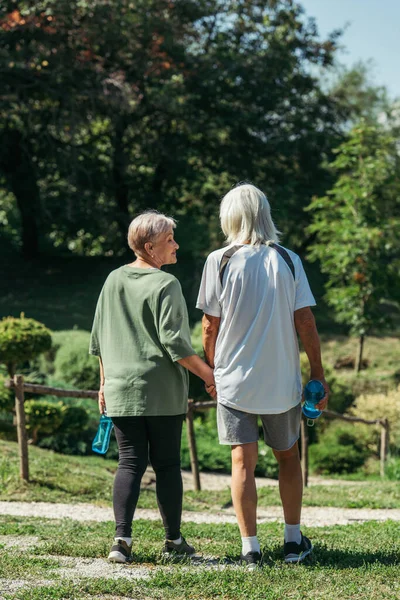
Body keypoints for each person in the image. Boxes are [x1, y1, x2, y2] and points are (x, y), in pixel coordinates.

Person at [196, 183, 329, 568]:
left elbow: (209, 325)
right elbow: (304, 320)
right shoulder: (288, 260)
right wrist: (317, 371)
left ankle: (250, 549)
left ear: (230, 217)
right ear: (266, 214)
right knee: (288, 457)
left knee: (242, 461)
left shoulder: (218, 259)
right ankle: (291, 542)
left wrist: (212, 370)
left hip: (233, 381)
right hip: (281, 381)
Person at [90, 210, 216, 564]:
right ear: (150, 247)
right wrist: (209, 375)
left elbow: (99, 339)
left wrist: (104, 385)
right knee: (167, 465)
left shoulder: (113, 280)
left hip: (120, 390)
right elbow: (175, 343)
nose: (176, 245)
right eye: (170, 241)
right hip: (161, 392)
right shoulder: (166, 284)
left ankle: (121, 541)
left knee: (129, 463)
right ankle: (173, 542)